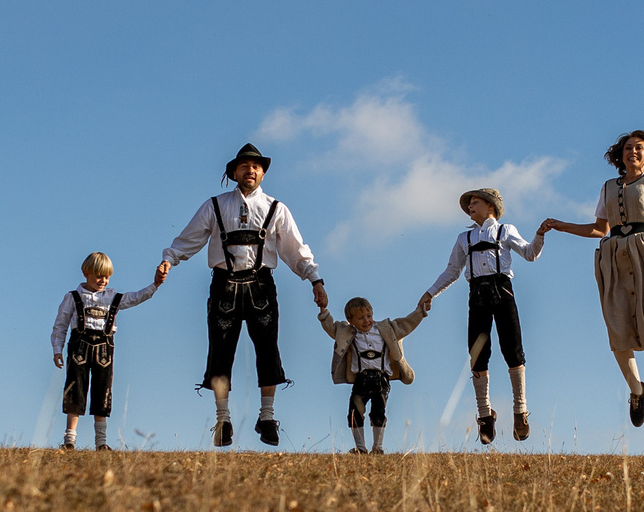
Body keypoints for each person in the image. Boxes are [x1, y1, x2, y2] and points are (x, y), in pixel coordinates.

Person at [159, 143, 328, 447]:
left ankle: (266, 417)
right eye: (244, 166)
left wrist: (315, 279)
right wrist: (169, 259)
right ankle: (223, 420)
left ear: (262, 172)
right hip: (224, 285)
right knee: (221, 350)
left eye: (256, 166)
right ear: (234, 172)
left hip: (261, 285)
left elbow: (295, 250)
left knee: (268, 349)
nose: (250, 171)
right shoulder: (214, 205)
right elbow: (190, 238)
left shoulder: (277, 208)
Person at [536, 130, 644, 427]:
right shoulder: (607, 187)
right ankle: (637, 390)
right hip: (614, 258)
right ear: (620, 154)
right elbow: (601, 229)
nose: (633, 152)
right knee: (618, 329)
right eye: (628, 148)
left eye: (639, 148)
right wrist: (563, 226)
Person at [419, 187, 545, 444]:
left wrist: (540, 235)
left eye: (475, 202)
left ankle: (520, 410)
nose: (470, 207)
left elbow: (530, 254)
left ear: (491, 206)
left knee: (513, 349)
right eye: (469, 204)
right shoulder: (463, 239)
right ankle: (485, 415)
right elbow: (452, 272)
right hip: (476, 295)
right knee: (477, 354)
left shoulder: (505, 230)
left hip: (503, 291)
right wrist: (430, 293)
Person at [51, 252, 170, 450]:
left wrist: (155, 285)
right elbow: (60, 324)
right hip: (78, 348)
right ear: (85, 273)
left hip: (104, 352)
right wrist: (57, 349)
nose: (102, 280)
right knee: (75, 391)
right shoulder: (73, 297)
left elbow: (136, 297)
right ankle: (69, 441)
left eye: (106, 276)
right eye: (98, 275)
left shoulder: (113, 297)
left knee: (102, 392)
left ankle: (101, 443)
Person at [318, 294, 428, 453]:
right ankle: (360, 449)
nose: (366, 320)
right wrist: (323, 310)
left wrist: (421, 311)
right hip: (361, 380)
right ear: (351, 320)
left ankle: (378, 448)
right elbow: (331, 327)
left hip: (381, 379)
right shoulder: (347, 332)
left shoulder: (385, 329)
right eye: (360, 318)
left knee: (378, 412)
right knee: (354, 413)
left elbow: (406, 324)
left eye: (369, 316)